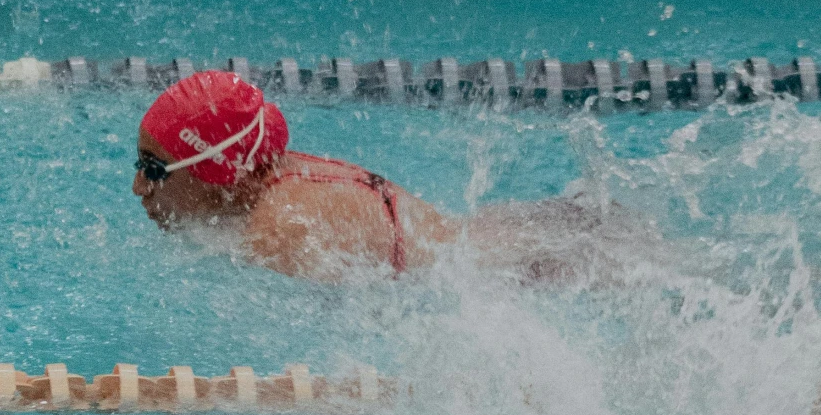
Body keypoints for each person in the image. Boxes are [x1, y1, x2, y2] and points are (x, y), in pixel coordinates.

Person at [133, 69, 639, 283]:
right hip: (530, 231)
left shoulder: (281, 228)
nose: (139, 188)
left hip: (535, 268)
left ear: (219, 172)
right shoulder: (264, 173)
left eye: (155, 170)